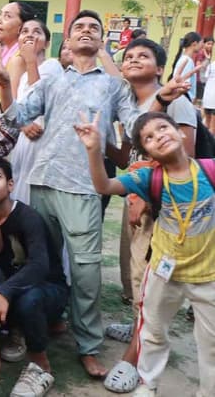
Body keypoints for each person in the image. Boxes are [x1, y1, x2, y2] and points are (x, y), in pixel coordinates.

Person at [0, 9, 195, 378]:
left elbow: (135, 127)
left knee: (85, 271)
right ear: (68, 41)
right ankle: (45, 325)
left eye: (94, 28)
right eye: (79, 27)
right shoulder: (52, 80)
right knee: (43, 263)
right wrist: (6, 85)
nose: (86, 31)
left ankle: (88, 345)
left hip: (84, 185)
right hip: (42, 182)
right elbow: (17, 117)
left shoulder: (114, 86)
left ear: (101, 41)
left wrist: (161, 101)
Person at [75, 111, 215, 397]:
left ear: (180, 132)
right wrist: (94, 150)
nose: (159, 136)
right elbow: (104, 186)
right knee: (151, 332)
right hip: (164, 274)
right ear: (147, 153)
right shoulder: (148, 176)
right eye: (149, 137)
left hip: (209, 276)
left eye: (163, 128)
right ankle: (147, 384)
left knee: (211, 342)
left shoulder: (210, 170)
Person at [103, 38, 196, 394]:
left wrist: (148, 196)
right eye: (128, 56)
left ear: (160, 68)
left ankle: (135, 359)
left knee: (153, 281)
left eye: (144, 56)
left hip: (163, 208)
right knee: (137, 275)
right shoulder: (132, 106)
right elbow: (125, 157)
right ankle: (139, 328)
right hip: (137, 200)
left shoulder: (176, 102)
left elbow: (185, 161)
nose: (133, 60)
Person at [0, 156, 69, 397]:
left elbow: (40, 266)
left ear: (10, 184)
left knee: (29, 300)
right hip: (10, 291)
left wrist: (5, 291)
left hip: (47, 289)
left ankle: (40, 366)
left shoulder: (28, 217)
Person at [4, 19, 63, 204]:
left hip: (41, 139)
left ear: (46, 43)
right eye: (25, 31)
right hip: (23, 142)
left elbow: (37, 97)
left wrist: (30, 60)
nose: (30, 34)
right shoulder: (22, 76)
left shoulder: (52, 66)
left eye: (37, 31)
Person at [0, 1, 35, 105]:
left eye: (7, 16)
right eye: (0, 15)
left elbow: (11, 108)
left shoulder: (18, 58)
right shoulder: (4, 52)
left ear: (22, 27)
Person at [168, 31, 203, 102]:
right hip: (184, 99)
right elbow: (183, 86)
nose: (202, 46)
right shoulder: (187, 60)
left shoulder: (184, 59)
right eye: (201, 43)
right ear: (194, 43)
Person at [201, 37, 215, 133]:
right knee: (211, 127)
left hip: (208, 97)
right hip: (210, 98)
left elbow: (203, 78)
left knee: (208, 124)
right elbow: (203, 78)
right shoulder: (211, 64)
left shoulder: (211, 65)